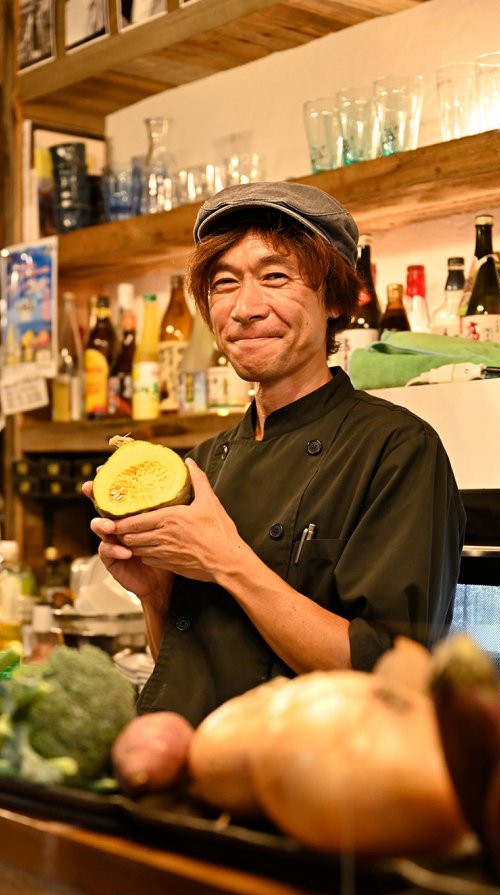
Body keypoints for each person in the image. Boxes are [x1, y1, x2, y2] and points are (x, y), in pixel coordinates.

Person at [85, 181, 465, 726]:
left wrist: (225, 559)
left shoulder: (397, 450)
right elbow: (192, 670)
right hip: (186, 766)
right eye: (223, 284)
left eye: (275, 277)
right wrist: (156, 594)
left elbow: (391, 681)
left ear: (336, 300)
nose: (245, 308)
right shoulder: (203, 461)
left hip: (313, 783)